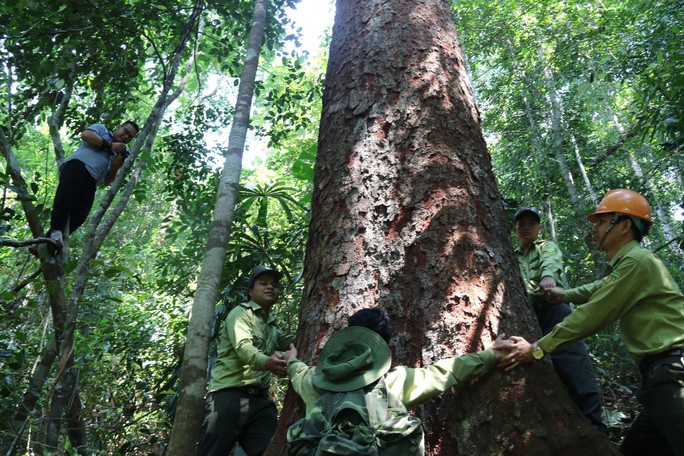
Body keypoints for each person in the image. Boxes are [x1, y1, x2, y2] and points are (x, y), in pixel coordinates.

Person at [504, 190, 684, 456]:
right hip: (659, 381)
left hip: (674, 373)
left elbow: (592, 314)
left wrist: (537, 349)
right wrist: (564, 294)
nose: (595, 227)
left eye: (602, 221)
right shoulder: (629, 264)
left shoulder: (636, 262)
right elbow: (600, 287)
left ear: (624, 226)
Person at [282, 307, 511, 454]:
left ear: (348, 338)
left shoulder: (315, 380)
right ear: (383, 347)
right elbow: (445, 372)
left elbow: (297, 371)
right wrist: (490, 355)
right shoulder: (395, 381)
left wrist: (291, 360)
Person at [513, 206, 605, 431]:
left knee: (573, 363)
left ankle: (595, 426)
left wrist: (547, 277)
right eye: (521, 224)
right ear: (515, 230)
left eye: (531, 223)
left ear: (539, 227)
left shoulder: (545, 246)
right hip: (526, 315)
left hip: (554, 310)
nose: (526, 227)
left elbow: (551, 261)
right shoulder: (509, 255)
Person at [197, 265, 295, 456]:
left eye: (274, 285)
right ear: (251, 291)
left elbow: (295, 341)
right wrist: (268, 362)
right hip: (227, 397)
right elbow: (244, 347)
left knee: (274, 451)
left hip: (259, 403)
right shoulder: (240, 314)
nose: (270, 287)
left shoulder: (272, 325)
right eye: (263, 283)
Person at [48, 120, 139, 251]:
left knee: (80, 215)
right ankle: (55, 234)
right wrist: (110, 145)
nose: (126, 137)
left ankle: (44, 243)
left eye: (130, 137)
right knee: (65, 201)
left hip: (92, 181)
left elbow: (107, 181)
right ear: (119, 127)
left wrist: (116, 165)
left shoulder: (116, 154)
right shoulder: (101, 130)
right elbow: (86, 135)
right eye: (126, 132)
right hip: (78, 166)